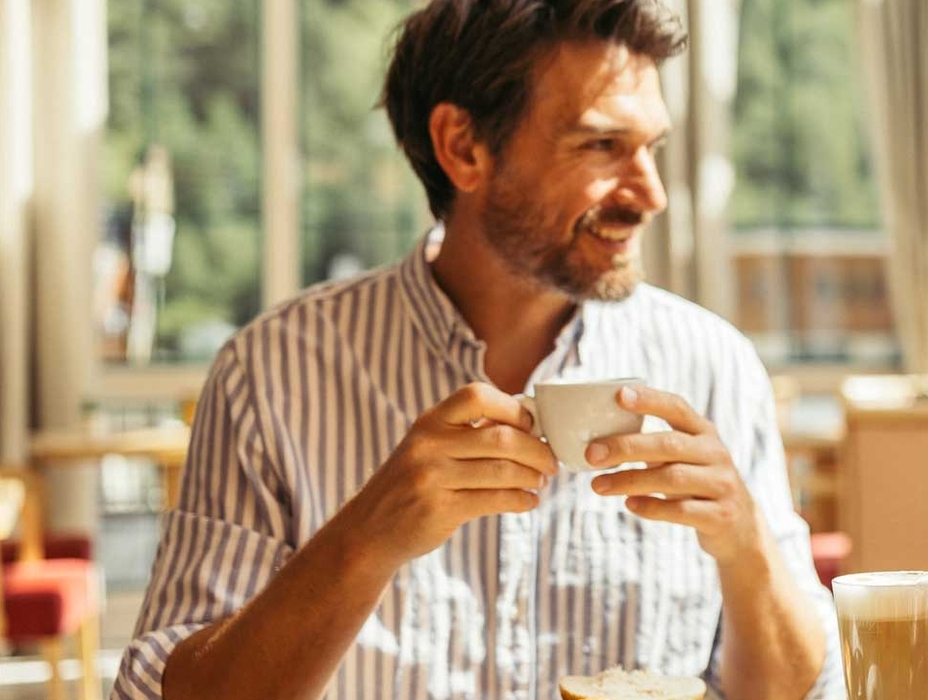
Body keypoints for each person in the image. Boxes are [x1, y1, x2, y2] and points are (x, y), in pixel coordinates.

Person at [113, 2, 840, 699]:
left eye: (650, 148)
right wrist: (365, 540)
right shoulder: (270, 377)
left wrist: (746, 549)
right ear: (463, 147)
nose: (650, 193)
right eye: (600, 145)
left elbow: (799, 692)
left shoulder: (713, 367)